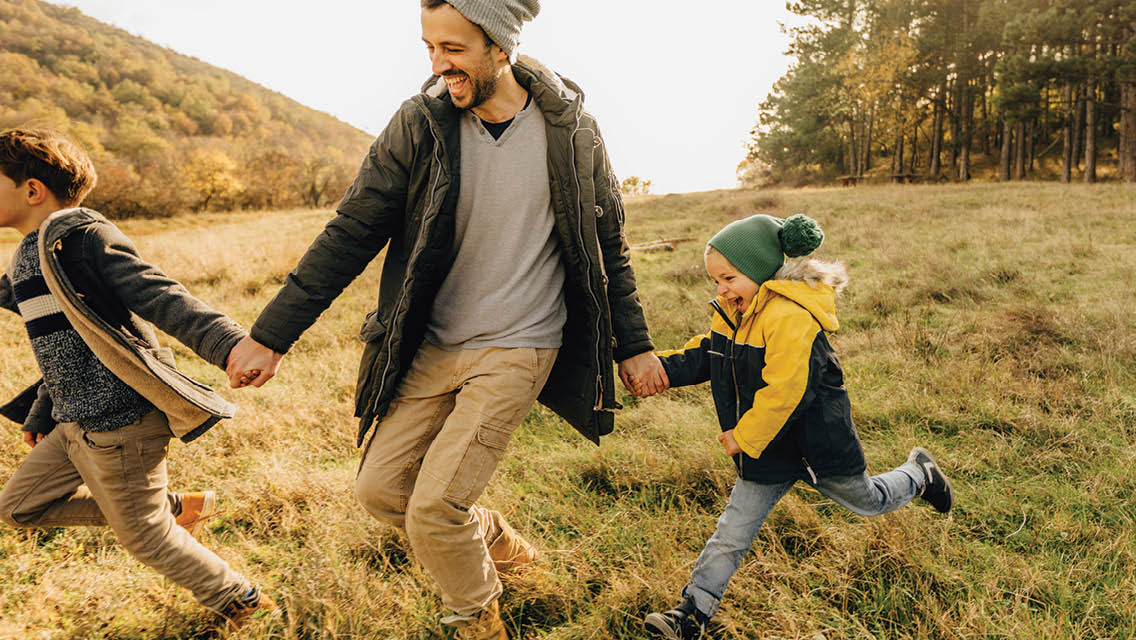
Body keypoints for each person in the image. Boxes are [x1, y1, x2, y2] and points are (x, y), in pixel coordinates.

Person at [224, 1, 666, 637]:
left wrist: (635, 344)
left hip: (521, 343)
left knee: (434, 506)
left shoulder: (573, 130)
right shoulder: (420, 124)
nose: (438, 64)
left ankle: (477, 620)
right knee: (381, 492)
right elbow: (352, 231)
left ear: (500, 47)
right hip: (432, 343)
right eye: (429, 47)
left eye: (453, 49)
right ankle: (502, 547)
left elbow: (608, 247)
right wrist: (271, 336)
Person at [0, 127, 276, 630]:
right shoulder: (24, 257)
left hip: (121, 422)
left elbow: (161, 295)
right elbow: (61, 346)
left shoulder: (80, 239)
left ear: (32, 190)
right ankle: (176, 508)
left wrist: (231, 345)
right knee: (19, 508)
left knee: (144, 536)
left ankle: (243, 600)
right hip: (72, 424)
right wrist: (42, 413)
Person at [638, 214, 953, 639]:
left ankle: (920, 474)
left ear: (759, 270)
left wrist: (744, 436)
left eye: (729, 278)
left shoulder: (789, 316)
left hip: (818, 444)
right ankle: (690, 615)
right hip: (770, 451)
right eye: (715, 281)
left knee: (869, 500)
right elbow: (708, 355)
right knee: (732, 533)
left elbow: (786, 391)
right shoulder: (734, 313)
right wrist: (661, 369)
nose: (721, 290)